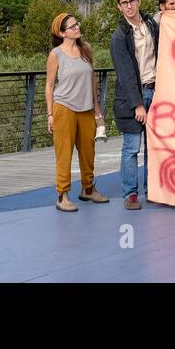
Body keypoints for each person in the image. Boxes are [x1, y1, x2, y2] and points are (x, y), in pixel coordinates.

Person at [45, 14, 107, 211]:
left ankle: (88, 189)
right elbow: (49, 86)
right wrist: (50, 115)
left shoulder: (85, 50)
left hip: (87, 108)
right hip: (64, 108)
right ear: (62, 33)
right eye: (71, 27)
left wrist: (98, 114)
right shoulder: (56, 54)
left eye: (76, 24)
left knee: (89, 152)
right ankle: (62, 195)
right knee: (64, 153)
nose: (76, 28)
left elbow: (92, 82)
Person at [110, 0, 158, 210]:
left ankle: (153, 189)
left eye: (132, 1)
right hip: (132, 98)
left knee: (154, 146)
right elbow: (125, 73)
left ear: (139, 1)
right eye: (124, 3)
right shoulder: (119, 36)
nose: (129, 6)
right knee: (131, 147)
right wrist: (138, 104)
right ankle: (130, 194)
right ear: (119, 7)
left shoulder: (150, 26)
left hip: (155, 89)